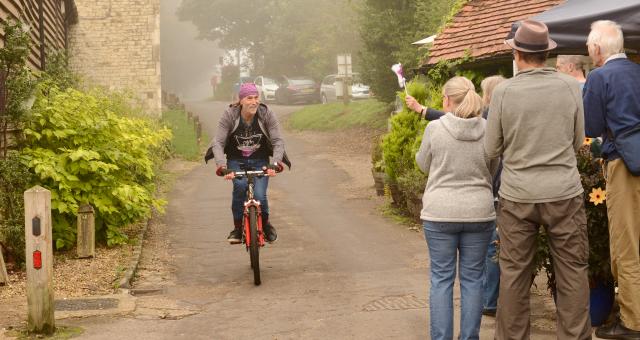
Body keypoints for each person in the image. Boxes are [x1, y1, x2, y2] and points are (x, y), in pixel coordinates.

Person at [484, 19, 591, 339]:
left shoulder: (503, 92)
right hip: (564, 192)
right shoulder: (571, 86)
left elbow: (491, 149)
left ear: (517, 53)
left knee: (514, 274)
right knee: (572, 272)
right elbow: (578, 140)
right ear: (546, 53)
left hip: (517, 195)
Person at [406, 75, 506, 317]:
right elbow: (493, 168)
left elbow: (423, 164)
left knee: (442, 279)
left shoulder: (435, 128)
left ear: (448, 100)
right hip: (480, 212)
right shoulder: (488, 129)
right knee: (472, 280)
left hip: (440, 213)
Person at [583, 20, 640, 339]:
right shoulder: (638, 70)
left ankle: (633, 322)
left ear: (597, 48)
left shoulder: (600, 77)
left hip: (623, 165)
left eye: (590, 47)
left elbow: (591, 127)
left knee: (625, 245)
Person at [209, 83, 291, 244]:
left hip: (260, 160)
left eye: (256, 98)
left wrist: (275, 163)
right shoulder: (229, 115)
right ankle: (238, 228)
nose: (254, 102)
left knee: (260, 195)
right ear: (240, 101)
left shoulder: (266, 114)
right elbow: (217, 142)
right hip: (235, 160)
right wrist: (222, 166)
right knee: (239, 188)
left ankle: (265, 225)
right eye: (249, 98)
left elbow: (277, 141)